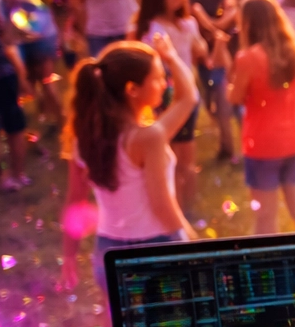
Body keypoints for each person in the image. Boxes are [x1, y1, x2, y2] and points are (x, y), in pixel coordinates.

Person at [58, 38, 195, 298]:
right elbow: (161, 205)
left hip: (108, 252)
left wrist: (69, 255)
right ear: (132, 89)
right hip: (157, 249)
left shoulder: (85, 138)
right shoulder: (148, 138)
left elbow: (75, 199)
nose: (164, 84)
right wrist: (191, 243)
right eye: (156, 78)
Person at [229, 0, 295, 235]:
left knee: (265, 219)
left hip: (262, 145)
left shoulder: (247, 58)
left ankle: (267, 271)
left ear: (248, 23)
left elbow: (235, 98)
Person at [134, 0, 209, 214]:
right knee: (172, 157)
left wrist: (197, 36)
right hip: (166, 97)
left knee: (186, 156)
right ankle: (177, 207)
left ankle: (187, 206)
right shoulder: (153, 30)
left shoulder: (187, 24)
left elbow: (200, 51)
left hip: (188, 93)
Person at [183, 0, 237, 163]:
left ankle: (228, 148)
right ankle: (224, 132)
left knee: (222, 91)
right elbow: (185, 8)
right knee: (208, 96)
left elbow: (232, 5)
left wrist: (217, 25)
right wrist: (204, 26)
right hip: (202, 44)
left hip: (225, 40)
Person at [0, 0, 60, 133]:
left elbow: (38, 13)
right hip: (20, 44)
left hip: (36, 41)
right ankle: (45, 120)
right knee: (31, 85)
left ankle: (61, 121)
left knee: (46, 82)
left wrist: (34, 34)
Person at [0, 0, 31, 191]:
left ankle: (16, 173)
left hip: (3, 76)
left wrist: (21, 75)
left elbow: (9, 42)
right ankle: (3, 176)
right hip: (2, 75)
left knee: (13, 126)